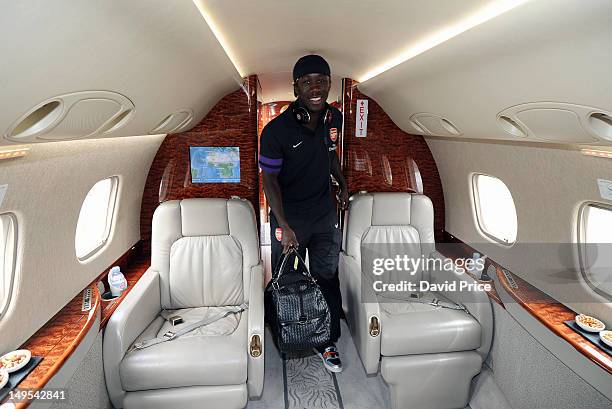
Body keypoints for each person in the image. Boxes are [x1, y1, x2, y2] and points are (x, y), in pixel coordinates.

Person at [259, 54, 348, 373]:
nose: (315, 87)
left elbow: (330, 153)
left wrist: (342, 182)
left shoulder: (334, 118)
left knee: (327, 277)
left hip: (324, 216)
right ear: (295, 86)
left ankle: (328, 341)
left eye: (321, 81)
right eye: (307, 81)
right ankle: (289, 332)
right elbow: (269, 180)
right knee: (291, 280)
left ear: (329, 84)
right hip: (289, 218)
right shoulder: (275, 132)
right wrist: (284, 225)